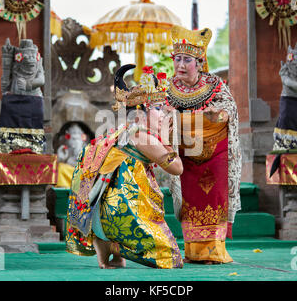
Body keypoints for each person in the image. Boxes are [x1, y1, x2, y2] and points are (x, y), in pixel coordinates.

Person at [66, 64, 184, 269]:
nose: (164, 115)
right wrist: (166, 139)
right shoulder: (143, 136)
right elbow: (177, 168)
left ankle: (106, 246)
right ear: (140, 114)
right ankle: (115, 247)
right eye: (158, 109)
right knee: (170, 257)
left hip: (103, 213)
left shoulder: (124, 131)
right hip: (120, 212)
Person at [165, 25, 242, 264]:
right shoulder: (168, 89)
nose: (180, 65)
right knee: (191, 202)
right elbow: (158, 114)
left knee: (214, 198)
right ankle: (193, 252)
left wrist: (215, 112)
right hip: (185, 156)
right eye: (177, 59)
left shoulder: (216, 85)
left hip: (215, 153)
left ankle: (215, 253)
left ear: (199, 62)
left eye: (186, 60)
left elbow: (230, 110)